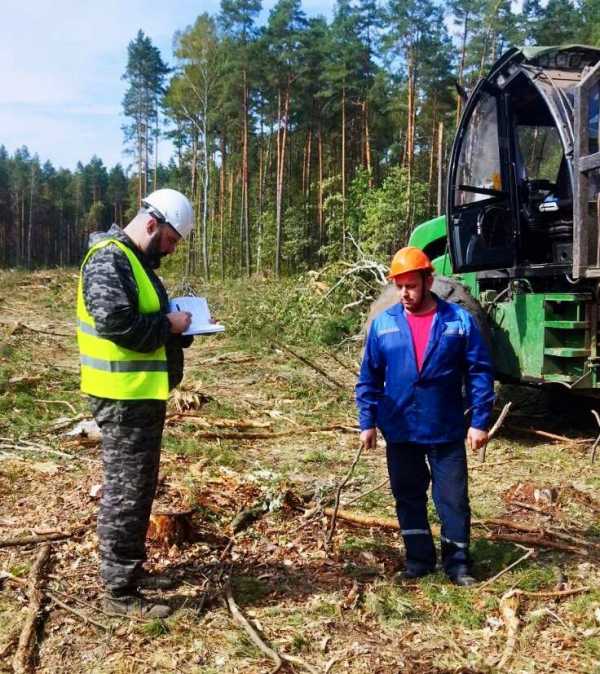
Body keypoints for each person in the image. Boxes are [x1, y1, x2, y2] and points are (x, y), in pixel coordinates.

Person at [76, 188, 195, 617]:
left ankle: (130, 571)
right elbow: (117, 325)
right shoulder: (110, 259)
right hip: (122, 398)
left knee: (138, 488)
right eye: (168, 241)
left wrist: (181, 328)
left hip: (139, 396)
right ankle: (119, 594)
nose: (169, 250)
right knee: (126, 493)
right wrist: (168, 325)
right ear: (151, 224)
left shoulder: (133, 261)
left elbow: (145, 322)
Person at [356, 247, 494, 586]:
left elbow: (479, 371)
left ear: (428, 280)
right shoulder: (384, 325)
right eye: (399, 286)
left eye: (411, 286)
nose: (404, 293)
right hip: (400, 426)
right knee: (408, 495)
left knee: (453, 499)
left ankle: (458, 563)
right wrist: (367, 421)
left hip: (445, 426)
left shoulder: (458, 322)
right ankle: (418, 559)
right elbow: (369, 376)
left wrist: (479, 421)